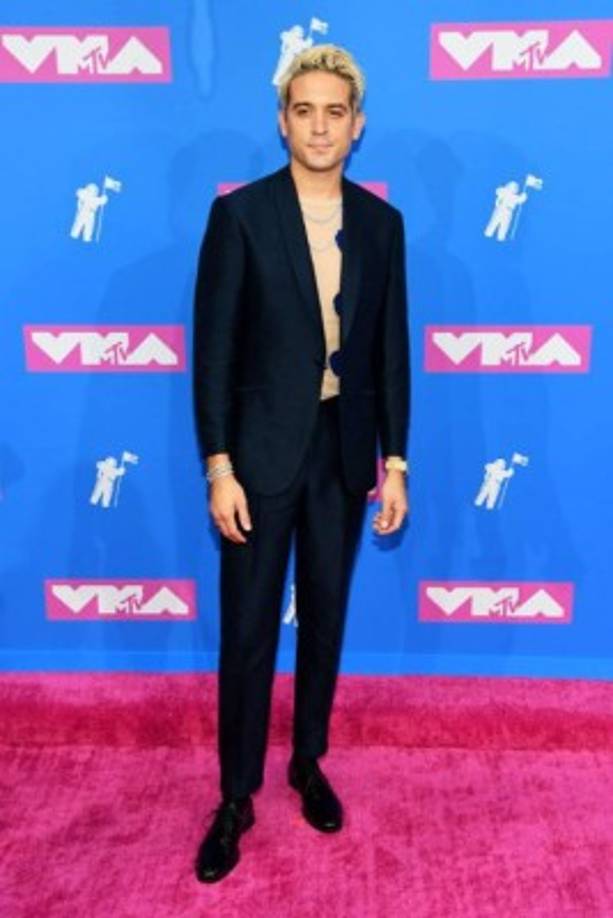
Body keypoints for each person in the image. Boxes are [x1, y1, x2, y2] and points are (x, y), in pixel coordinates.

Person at [192, 44, 410, 883]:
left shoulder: (382, 226)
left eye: (335, 113)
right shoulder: (242, 216)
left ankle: (306, 761)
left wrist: (398, 464)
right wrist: (219, 465)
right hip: (258, 455)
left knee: (324, 616)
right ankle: (236, 794)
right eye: (304, 110)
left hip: (343, 451)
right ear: (282, 121)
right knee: (248, 633)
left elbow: (390, 356)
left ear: (357, 127)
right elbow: (212, 355)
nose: (319, 126)